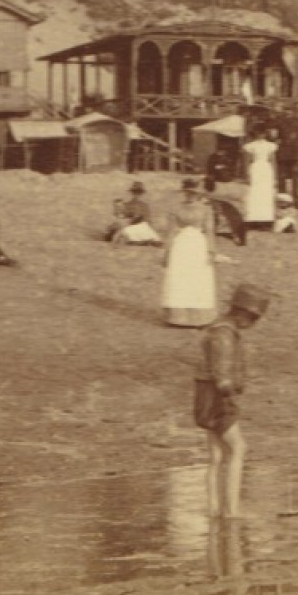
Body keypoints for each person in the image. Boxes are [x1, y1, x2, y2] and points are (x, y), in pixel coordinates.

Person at [194, 283, 271, 519]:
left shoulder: (216, 329)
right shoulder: (225, 335)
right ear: (243, 313)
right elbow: (222, 375)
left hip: (204, 397)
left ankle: (214, 509)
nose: (254, 324)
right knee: (239, 449)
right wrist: (232, 390)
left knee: (216, 456)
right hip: (218, 399)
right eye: (254, 318)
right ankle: (231, 511)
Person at [162, 177, 218, 327]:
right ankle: (178, 317)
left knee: (197, 277)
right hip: (180, 245)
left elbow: (210, 231)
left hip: (198, 245)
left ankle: (198, 318)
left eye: (193, 193)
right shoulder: (175, 208)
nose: (190, 195)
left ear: (198, 193)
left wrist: (211, 251)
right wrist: (166, 251)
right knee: (180, 277)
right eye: (187, 192)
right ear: (183, 192)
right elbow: (171, 231)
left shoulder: (206, 209)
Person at [242, 128, 278, 230]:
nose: (261, 135)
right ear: (256, 133)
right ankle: (253, 220)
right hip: (256, 169)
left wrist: (275, 177)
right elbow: (247, 161)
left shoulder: (270, 146)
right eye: (259, 133)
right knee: (255, 193)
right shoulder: (251, 146)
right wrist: (247, 175)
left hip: (266, 170)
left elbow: (273, 161)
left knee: (266, 194)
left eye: (262, 133)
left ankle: (266, 220)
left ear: (265, 134)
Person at [107, 181, 161, 245]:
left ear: (141, 194)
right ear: (132, 193)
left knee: (145, 230)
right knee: (124, 231)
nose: (136, 195)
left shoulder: (144, 206)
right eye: (135, 192)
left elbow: (148, 221)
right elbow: (121, 216)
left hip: (142, 227)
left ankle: (143, 241)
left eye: (139, 193)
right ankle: (139, 241)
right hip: (130, 227)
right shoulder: (127, 204)